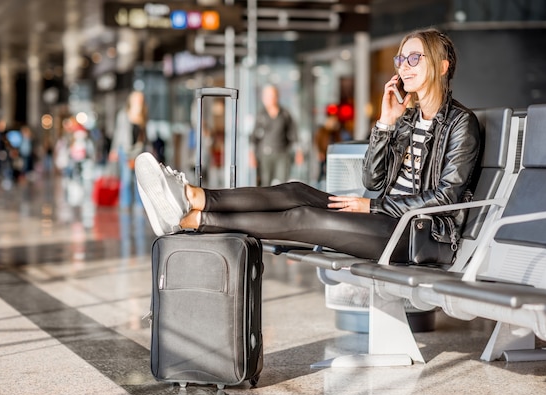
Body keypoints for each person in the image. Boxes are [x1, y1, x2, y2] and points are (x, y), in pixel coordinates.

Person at [134, 28, 481, 262]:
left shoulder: (461, 124)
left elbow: (444, 199)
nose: (404, 67)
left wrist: (371, 208)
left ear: (442, 66)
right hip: (387, 216)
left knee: (304, 216)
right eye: (401, 59)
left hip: (421, 235)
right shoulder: (406, 118)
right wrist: (385, 124)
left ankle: (195, 220)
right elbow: (373, 181)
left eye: (414, 58)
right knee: (295, 190)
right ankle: (193, 197)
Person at [250, 84, 298, 186]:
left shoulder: (285, 114)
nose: (269, 99)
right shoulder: (261, 115)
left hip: (282, 154)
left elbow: (293, 134)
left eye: (272, 96)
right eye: (267, 96)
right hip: (265, 155)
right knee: (265, 183)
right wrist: (251, 154)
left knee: (283, 184)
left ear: (277, 96)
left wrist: (298, 151)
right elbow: (254, 137)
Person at [109, 90, 148, 209]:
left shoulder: (143, 115)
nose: (139, 101)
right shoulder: (123, 114)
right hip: (125, 151)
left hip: (138, 151)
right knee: (125, 179)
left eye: (140, 99)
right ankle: (125, 204)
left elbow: (143, 135)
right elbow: (118, 133)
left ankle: (139, 205)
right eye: (137, 99)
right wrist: (114, 149)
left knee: (139, 180)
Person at [314, 114, 342, 183]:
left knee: (332, 171)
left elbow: (339, 142)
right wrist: (320, 152)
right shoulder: (322, 131)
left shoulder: (335, 132)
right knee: (321, 171)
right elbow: (318, 142)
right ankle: (319, 184)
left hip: (333, 154)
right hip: (324, 153)